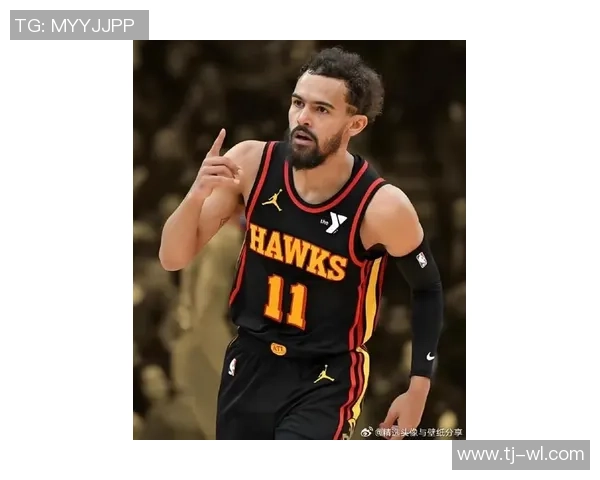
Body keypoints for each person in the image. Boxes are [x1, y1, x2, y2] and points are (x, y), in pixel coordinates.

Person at [159, 47, 444, 440]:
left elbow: (427, 287)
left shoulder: (382, 206)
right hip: (250, 361)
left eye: (322, 109)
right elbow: (172, 257)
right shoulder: (252, 164)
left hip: (326, 376)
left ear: (355, 124)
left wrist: (419, 386)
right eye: (298, 103)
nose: (303, 118)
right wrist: (195, 195)